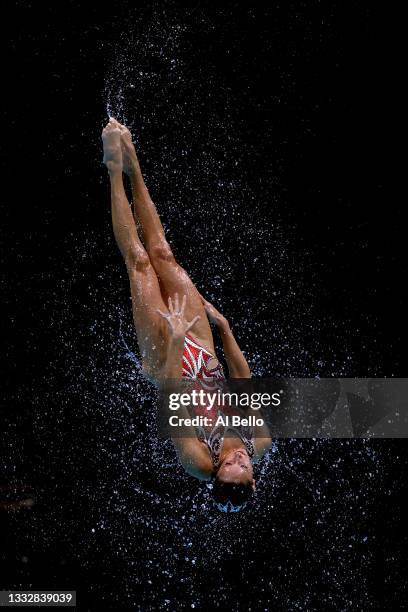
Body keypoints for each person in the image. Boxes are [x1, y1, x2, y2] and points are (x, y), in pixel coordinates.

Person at [102, 118, 271, 511]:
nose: (234, 458)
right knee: (163, 253)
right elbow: (243, 380)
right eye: (240, 464)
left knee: (140, 263)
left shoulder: (197, 463)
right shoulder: (258, 442)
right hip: (204, 355)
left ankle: (112, 169)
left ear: (215, 474)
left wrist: (176, 341)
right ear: (253, 477)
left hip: (167, 364)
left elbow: (171, 395)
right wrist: (225, 328)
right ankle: (133, 163)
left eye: (227, 465)